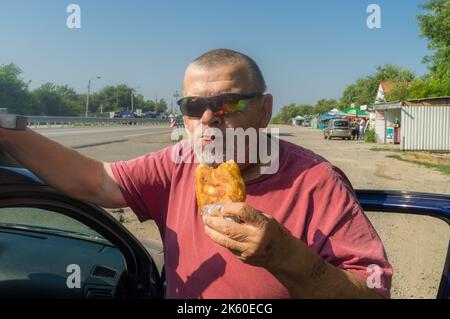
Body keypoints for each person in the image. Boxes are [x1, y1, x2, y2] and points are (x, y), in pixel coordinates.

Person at [0, 49, 392, 299]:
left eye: (227, 104)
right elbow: (97, 181)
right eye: (193, 105)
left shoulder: (316, 182)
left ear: (264, 109)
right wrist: (9, 132)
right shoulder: (179, 163)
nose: (207, 118)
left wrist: (286, 256)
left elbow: (372, 295)